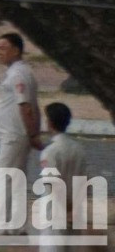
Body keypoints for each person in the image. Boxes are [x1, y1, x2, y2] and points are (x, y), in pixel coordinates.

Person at [0, 33, 41, 226]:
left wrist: (32, 134)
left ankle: (1, 226)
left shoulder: (18, 74)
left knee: (3, 178)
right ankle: (16, 226)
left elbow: (26, 107)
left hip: (14, 135)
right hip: (14, 134)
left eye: (3, 48)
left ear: (16, 50)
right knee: (16, 181)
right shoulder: (17, 72)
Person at [38, 102, 89, 237]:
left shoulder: (50, 152)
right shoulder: (79, 150)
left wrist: (66, 210)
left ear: (49, 122)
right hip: (75, 213)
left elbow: (53, 184)